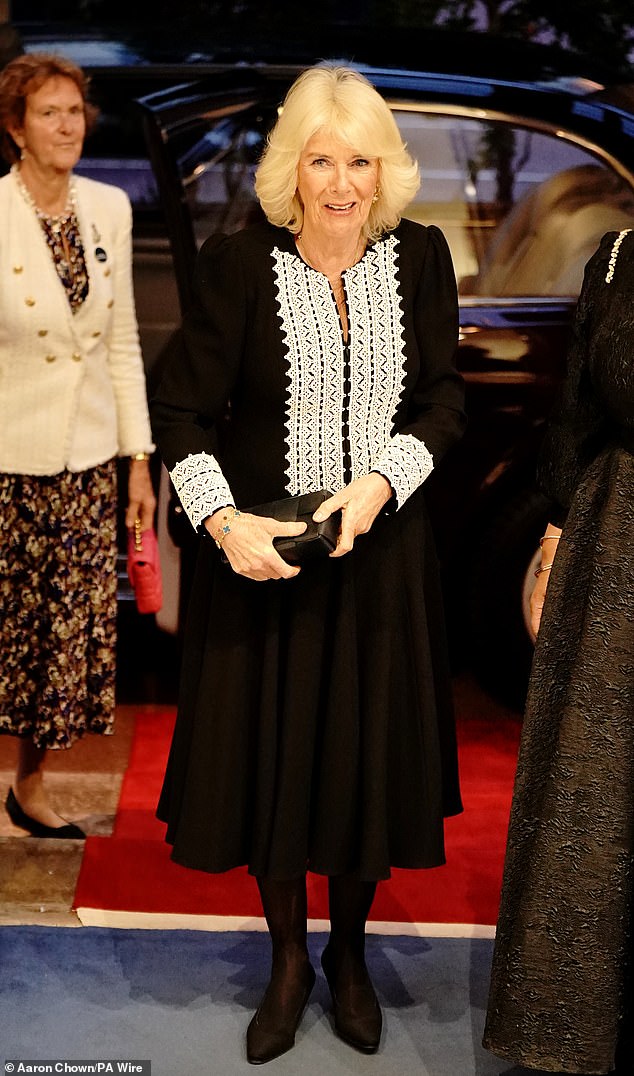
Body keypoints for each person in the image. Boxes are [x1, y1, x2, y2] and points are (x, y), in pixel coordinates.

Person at [151, 64, 466, 1064]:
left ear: (383, 172)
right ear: (295, 168)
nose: (340, 182)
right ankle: (289, 956)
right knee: (280, 763)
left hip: (380, 560)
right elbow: (181, 415)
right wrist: (223, 524)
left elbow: (445, 402)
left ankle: (351, 952)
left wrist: (377, 486)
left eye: (359, 161)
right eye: (321, 160)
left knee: (363, 758)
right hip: (268, 568)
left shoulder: (419, 259)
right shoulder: (240, 265)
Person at [483, 227, 634, 1074]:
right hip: (618, 543)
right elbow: (575, 405)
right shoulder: (614, 256)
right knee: (593, 794)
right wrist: (550, 533)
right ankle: (572, 1028)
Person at [0, 53, 156, 839]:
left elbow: (120, 340)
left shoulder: (108, 208)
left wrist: (138, 458)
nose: (68, 126)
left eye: (75, 111)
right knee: (6, 628)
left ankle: (30, 783)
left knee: (58, 638)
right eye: (49, 113)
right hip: (7, 465)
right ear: (13, 128)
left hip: (86, 463)